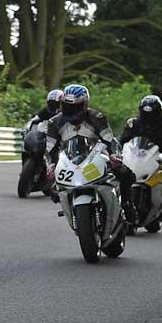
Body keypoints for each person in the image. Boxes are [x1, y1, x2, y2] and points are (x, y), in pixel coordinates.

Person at [45, 84, 136, 221]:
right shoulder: (54, 122)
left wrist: (114, 155)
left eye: (75, 107)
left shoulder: (96, 117)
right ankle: (71, 208)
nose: (71, 110)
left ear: (84, 104)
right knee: (53, 188)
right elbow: (49, 149)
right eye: (67, 106)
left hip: (95, 155)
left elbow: (109, 140)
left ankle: (127, 204)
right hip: (70, 160)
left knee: (125, 173)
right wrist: (50, 166)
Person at [119, 95, 162, 203]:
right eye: (146, 114)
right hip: (135, 154)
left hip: (159, 156)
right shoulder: (133, 123)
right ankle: (121, 196)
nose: (149, 118)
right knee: (117, 171)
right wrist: (116, 153)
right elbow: (122, 139)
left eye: (151, 115)